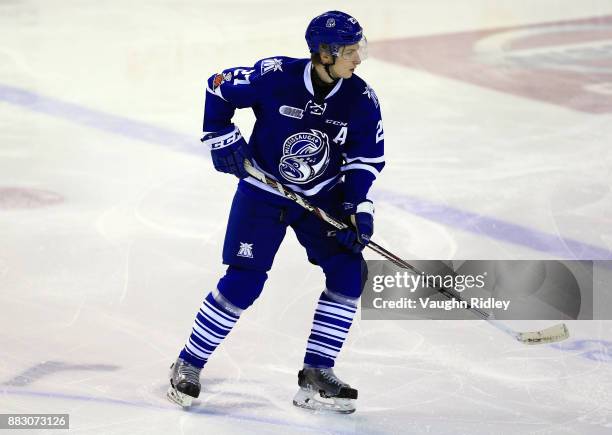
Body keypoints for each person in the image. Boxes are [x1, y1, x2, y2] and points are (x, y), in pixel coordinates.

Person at [167, 10, 385, 414]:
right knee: (244, 280)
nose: (359, 59)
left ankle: (317, 372)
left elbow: (365, 158)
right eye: (351, 52)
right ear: (325, 53)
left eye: (360, 49)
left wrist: (357, 208)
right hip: (261, 192)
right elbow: (218, 89)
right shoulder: (274, 76)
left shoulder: (360, 98)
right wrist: (220, 136)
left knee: (348, 271)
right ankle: (189, 363)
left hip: (320, 198)